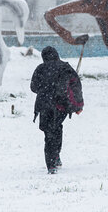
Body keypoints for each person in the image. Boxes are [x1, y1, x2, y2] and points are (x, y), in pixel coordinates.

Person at [31, 46, 83, 174]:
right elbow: (76, 85)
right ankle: (55, 157)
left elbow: (33, 87)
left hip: (43, 105)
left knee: (49, 134)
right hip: (60, 106)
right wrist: (78, 105)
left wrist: (45, 90)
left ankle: (51, 164)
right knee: (56, 128)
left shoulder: (40, 68)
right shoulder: (65, 67)